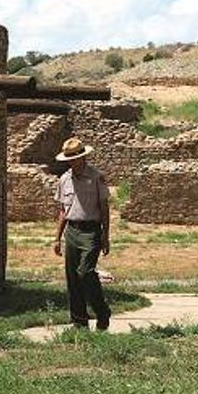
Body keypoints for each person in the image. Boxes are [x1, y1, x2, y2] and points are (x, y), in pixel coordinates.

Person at [53, 137, 112, 330]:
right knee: (72, 277)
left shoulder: (96, 177)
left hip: (90, 231)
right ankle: (79, 322)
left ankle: (101, 311)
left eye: (76, 158)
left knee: (85, 272)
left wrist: (105, 235)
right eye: (70, 159)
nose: (73, 162)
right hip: (72, 230)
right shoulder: (64, 179)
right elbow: (63, 210)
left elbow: (104, 207)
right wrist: (57, 238)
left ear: (83, 158)